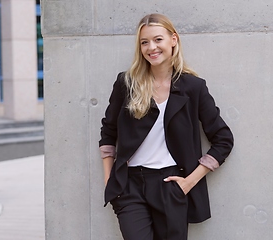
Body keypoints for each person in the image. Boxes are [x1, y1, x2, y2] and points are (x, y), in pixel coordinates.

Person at [99, 13, 234, 240]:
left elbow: (223, 139)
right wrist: (110, 181)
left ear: (173, 40)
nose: (151, 47)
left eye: (158, 39)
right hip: (129, 186)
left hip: (171, 185)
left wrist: (188, 182)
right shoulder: (126, 83)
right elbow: (108, 132)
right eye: (144, 42)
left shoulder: (193, 87)